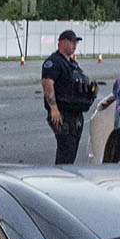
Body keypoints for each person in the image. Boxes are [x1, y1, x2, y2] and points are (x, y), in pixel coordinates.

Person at [39, 29, 95, 164]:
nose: (74, 45)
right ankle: (61, 179)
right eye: (71, 41)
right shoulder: (54, 62)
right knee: (66, 151)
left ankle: (64, 177)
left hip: (75, 114)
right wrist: (54, 108)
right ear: (61, 42)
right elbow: (47, 84)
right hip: (62, 114)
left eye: (76, 42)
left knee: (71, 152)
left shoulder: (72, 64)